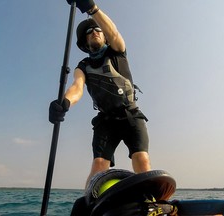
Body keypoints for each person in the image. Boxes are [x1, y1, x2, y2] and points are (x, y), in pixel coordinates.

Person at [49, 0, 151, 190]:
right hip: (106, 121)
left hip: (131, 115)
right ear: (85, 43)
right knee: (98, 164)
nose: (94, 32)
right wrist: (64, 103)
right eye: (88, 32)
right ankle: (91, 203)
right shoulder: (83, 66)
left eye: (97, 30)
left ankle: (148, 201)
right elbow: (77, 87)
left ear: (104, 36)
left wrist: (91, 8)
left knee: (141, 158)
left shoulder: (117, 52)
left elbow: (113, 33)